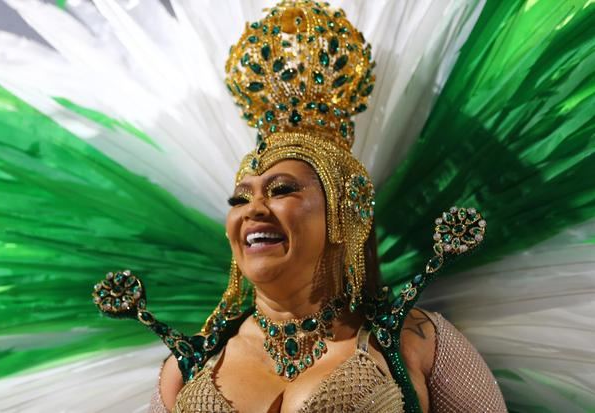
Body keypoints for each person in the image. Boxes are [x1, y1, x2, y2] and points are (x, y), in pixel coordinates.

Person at [135, 1, 507, 411]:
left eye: (280, 190)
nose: (252, 209)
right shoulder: (190, 367)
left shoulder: (413, 341)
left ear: (343, 213)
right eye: (240, 198)